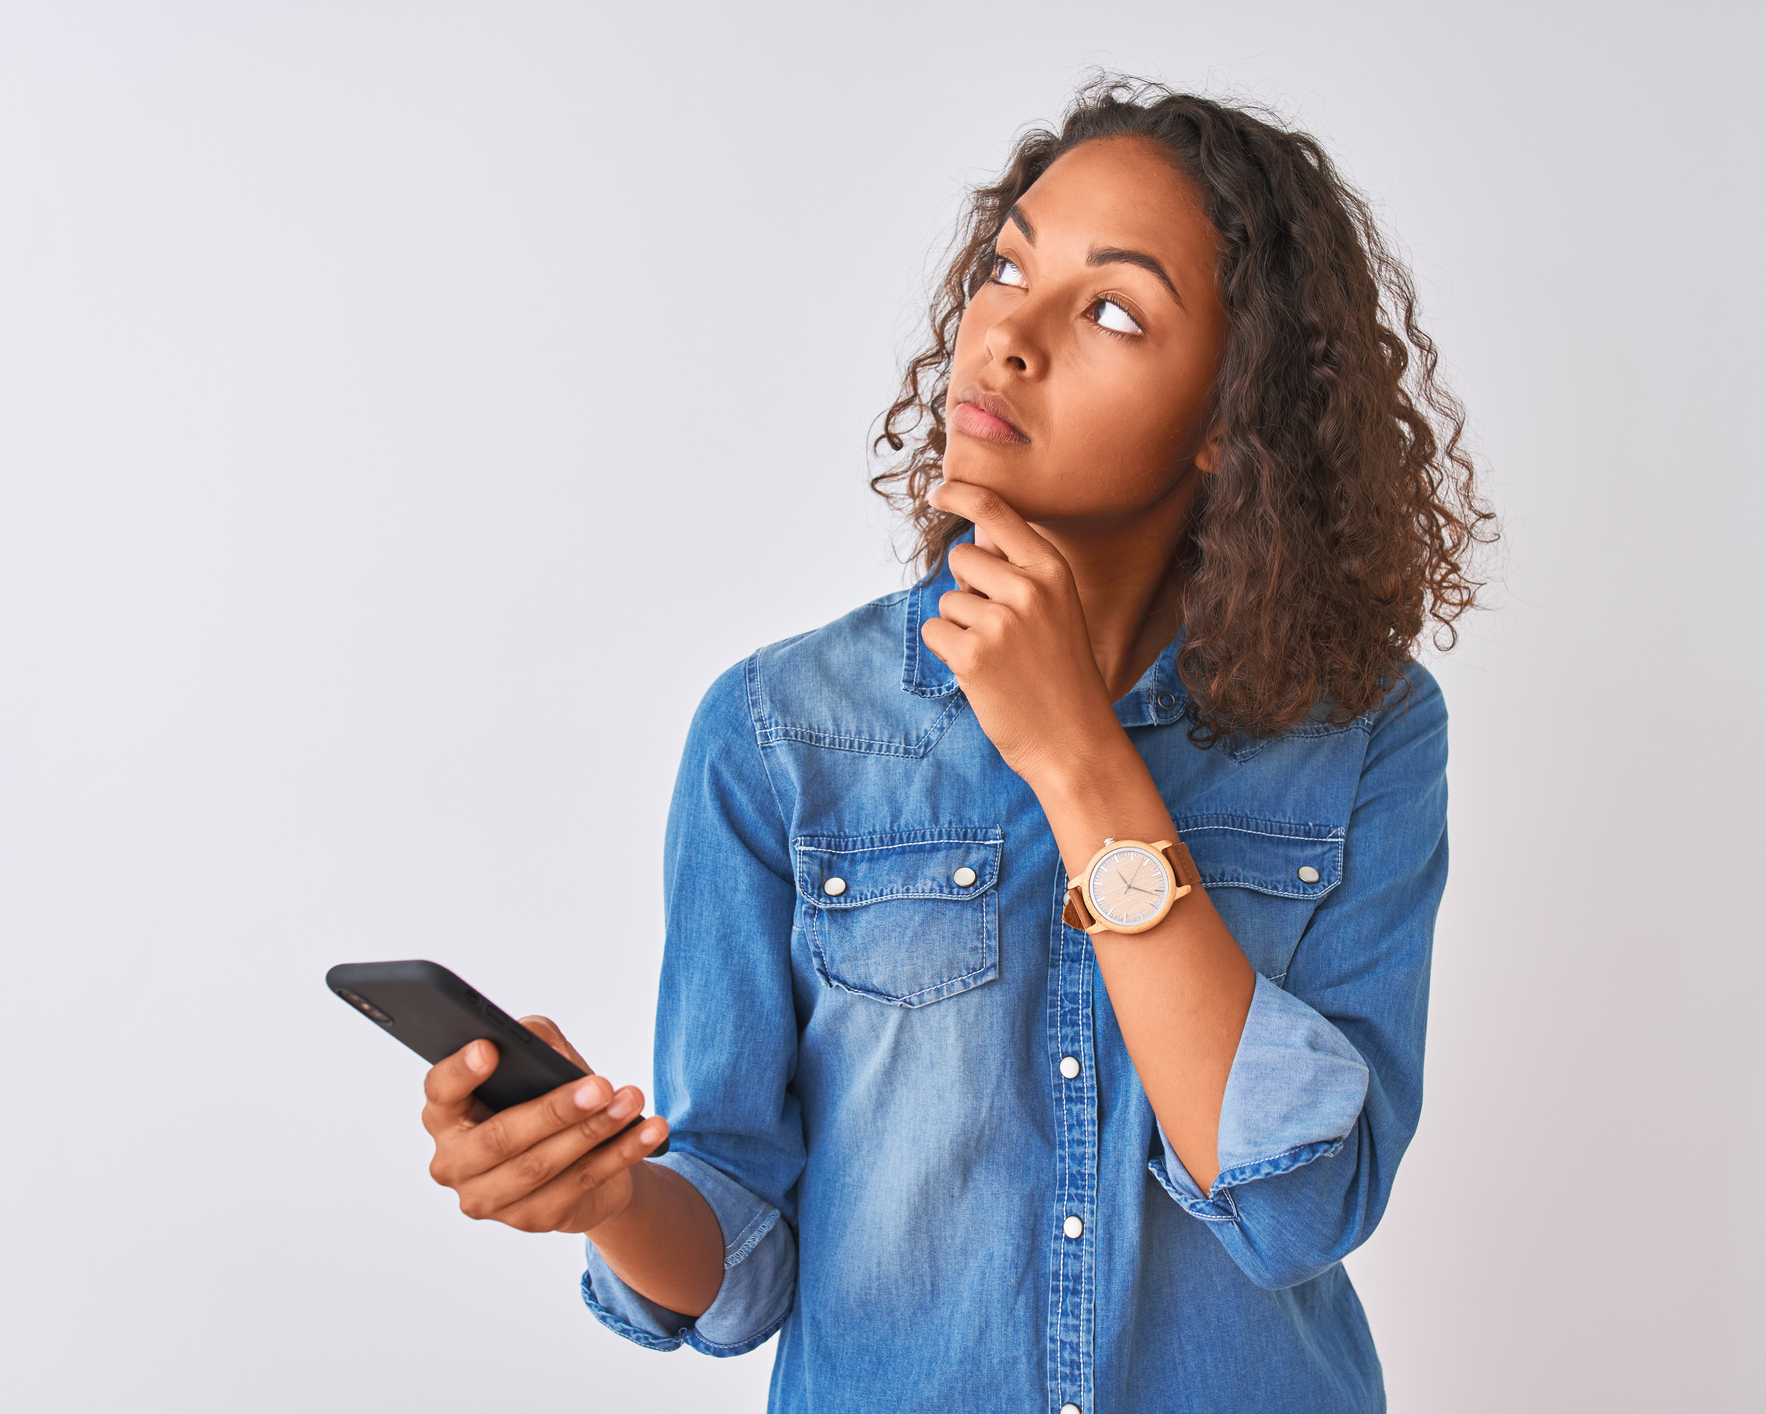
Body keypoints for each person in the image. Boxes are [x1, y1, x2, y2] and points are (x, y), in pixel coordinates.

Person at [415, 77, 1488, 1413]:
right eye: (1007, 266)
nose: (1009, 338)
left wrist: (1079, 760)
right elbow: (739, 1252)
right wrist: (608, 1190)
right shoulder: (780, 733)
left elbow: (1299, 1201)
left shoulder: (1365, 734)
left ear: (1229, 419)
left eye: (1111, 309)